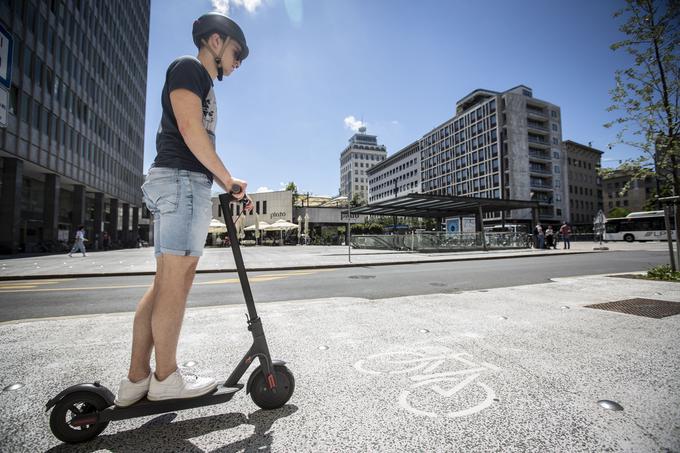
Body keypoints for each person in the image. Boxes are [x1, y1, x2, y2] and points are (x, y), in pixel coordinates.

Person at [114, 12, 253, 407]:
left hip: (177, 181)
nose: (238, 62)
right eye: (236, 52)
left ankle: (137, 380)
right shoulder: (190, 68)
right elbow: (190, 130)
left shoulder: (200, 78)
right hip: (182, 181)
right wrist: (228, 180)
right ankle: (166, 378)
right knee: (177, 282)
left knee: (163, 285)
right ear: (215, 42)